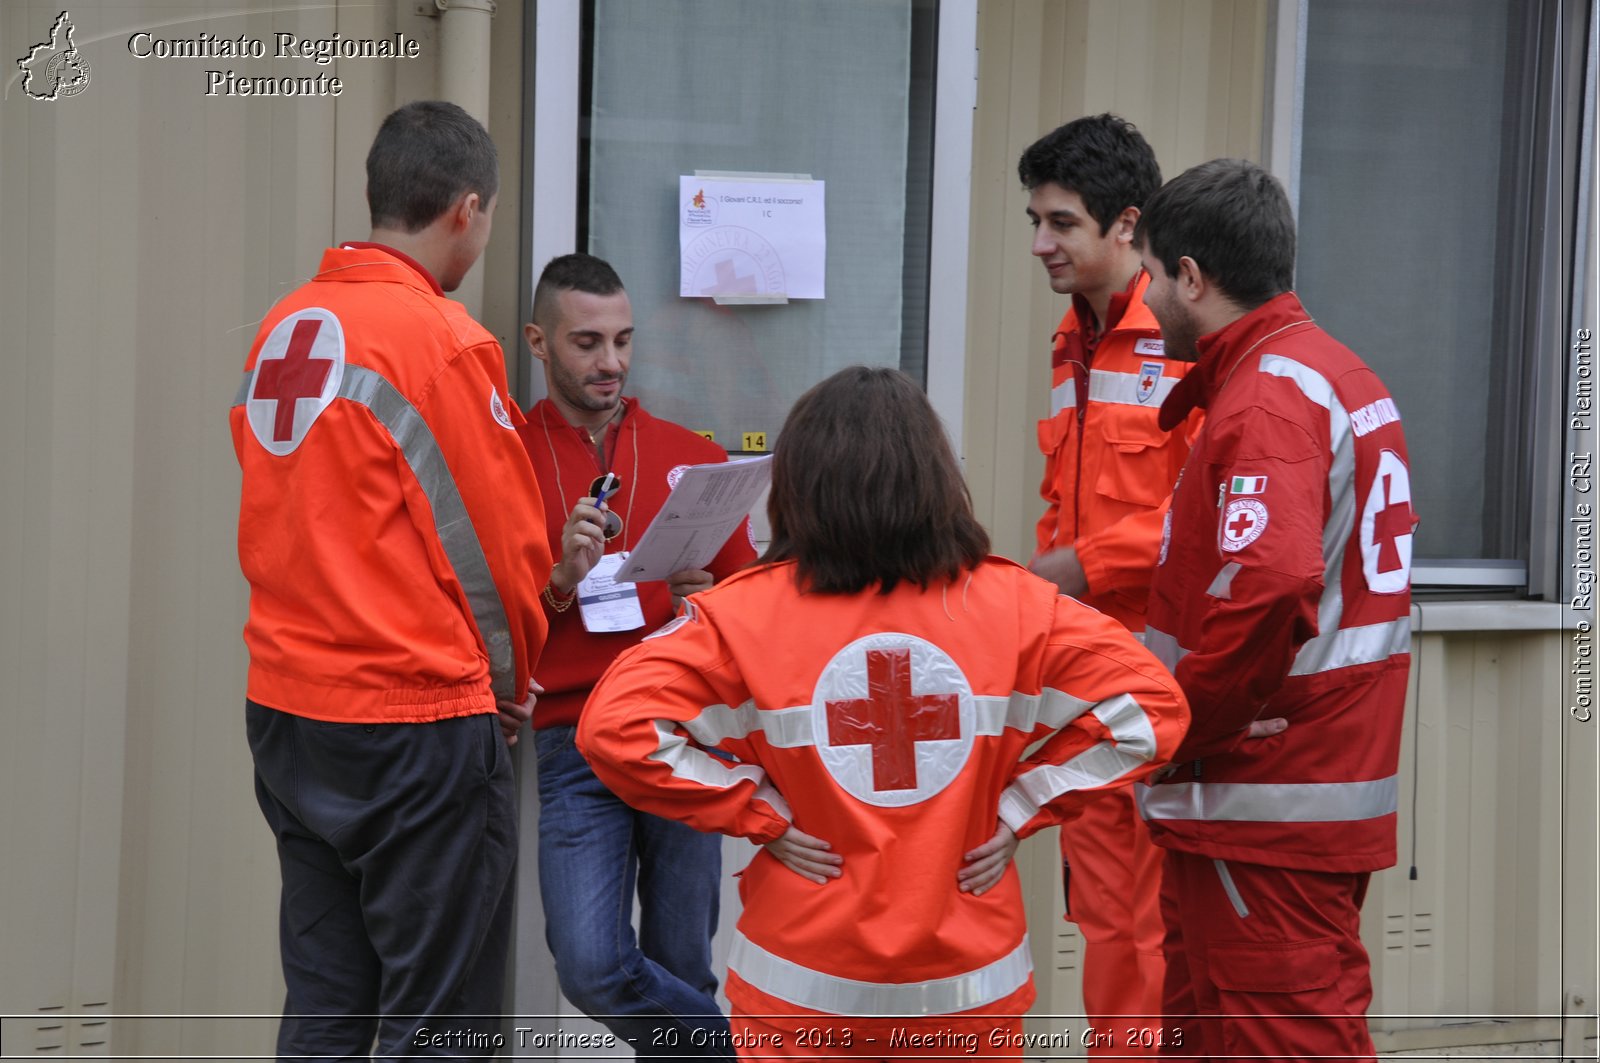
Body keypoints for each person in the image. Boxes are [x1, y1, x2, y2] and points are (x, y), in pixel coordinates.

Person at [575, 366, 1189, 1059]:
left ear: (799, 487)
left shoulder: (740, 614)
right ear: (935, 477)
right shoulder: (1019, 607)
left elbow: (613, 727)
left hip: (799, 994)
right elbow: (1152, 708)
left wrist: (755, 808)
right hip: (968, 994)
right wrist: (1024, 804)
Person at [229, 101, 553, 1059]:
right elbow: (502, 552)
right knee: (440, 1019)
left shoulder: (282, 330)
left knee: (326, 1000)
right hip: (413, 725)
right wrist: (507, 684)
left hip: (289, 714)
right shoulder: (441, 342)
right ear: (466, 209)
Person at [1134, 158, 1416, 1062]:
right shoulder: (1329, 374)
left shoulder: (1270, 397)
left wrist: (1183, 726)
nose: (1145, 301)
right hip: (1278, 795)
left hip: (1262, 797)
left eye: (1149, 274)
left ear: (1191, 276)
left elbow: (1271, 581)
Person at [517, 253, 757, 1056]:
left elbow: (754, 608)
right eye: (586, 342)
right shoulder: (507, 457)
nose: (612, 362)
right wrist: (558, 582)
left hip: (685, 732)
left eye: (623, 340)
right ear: (538, 343)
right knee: (588, 964)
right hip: (575, 737)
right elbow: (486, 619)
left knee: (684, 960)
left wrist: (705, 604)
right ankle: (733, 1051)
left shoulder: (691, 455)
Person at [1018, 113, 1193, 1048]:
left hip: (1161, 674)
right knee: (1101, 911)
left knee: (1146, 915)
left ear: (1128, 225)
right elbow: (1065, 500)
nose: (1042, 243)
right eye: (1035, 221)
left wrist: (1077, 565)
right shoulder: (1068, 338)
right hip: (1082, 669)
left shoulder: (1184, 336)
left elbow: (1207, 515)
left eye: (1062, 224)